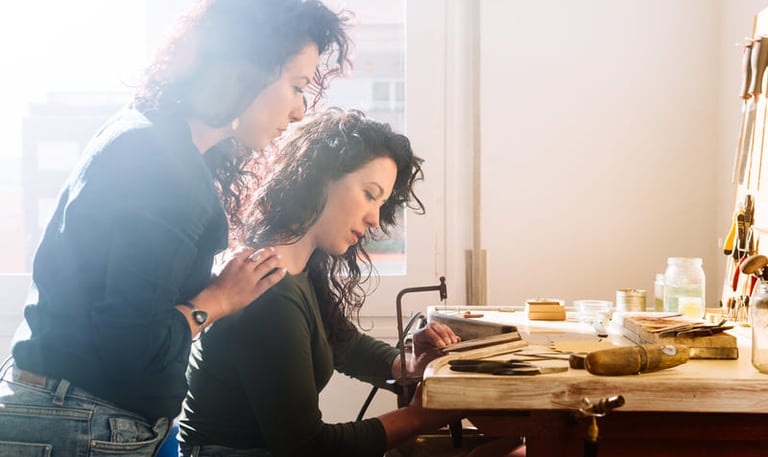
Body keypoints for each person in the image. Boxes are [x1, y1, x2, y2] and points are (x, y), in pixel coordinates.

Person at [0, 1, 350, 456]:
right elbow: (132, 348)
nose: (300, 111)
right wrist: (216, 301)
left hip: (70, 411)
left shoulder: (152, 140)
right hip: (79, 422)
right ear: (248, 70)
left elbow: (123, 306)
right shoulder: (162, 165)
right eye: (297, 86)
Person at [177, 108, 465, 457]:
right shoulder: (270, 292)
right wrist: (420, 416)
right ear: (317, 180)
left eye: (382, 203)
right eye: (370, 194)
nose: (375, 218)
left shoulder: (296, 267)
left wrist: (408, 365)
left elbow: (346, 345)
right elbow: (308, 447)